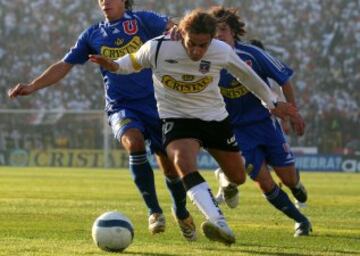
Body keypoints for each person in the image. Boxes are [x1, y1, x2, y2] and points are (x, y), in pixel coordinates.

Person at [87, 8, 302, 245]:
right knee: (181, 162)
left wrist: (274, 103)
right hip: (176, 118)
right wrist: (113, 65)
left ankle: (224, 180)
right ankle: (219, 223)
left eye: (203, 45)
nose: (197, 51)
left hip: (214, 119)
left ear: (211, 39)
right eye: (192, 44)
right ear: (181, 34)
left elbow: (248, 77)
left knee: (238, 177)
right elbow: (132, 62)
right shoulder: (158, 47)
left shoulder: (221, 51)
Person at [7, 0, 197, 241]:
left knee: (169, 165)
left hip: (158, 104)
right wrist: (33, 86)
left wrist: (183, 32)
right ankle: (154, 212)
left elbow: (176, 28)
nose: (105, 1)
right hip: (121, 106)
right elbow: (65, 65)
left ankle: (181, 212)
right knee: (134, 143)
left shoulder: (144, 20)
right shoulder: (93, 34)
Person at [209, 6, 311, 237]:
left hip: (265, 125)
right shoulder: (208, 62)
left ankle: (296, 185)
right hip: (237, 131)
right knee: (265, 183)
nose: (218, 35)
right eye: (213, 31)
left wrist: (291, 113)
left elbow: (284, 79)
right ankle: (301, 221)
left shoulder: (252, 54)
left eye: (223, 30)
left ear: (233, 32)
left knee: (288, 178)